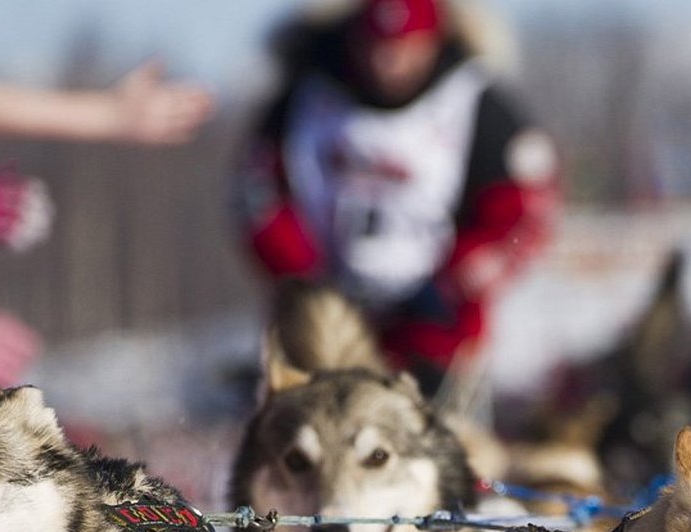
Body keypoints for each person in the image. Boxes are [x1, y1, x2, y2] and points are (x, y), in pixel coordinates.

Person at [236, 0, 558, 395]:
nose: (388, 62)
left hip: (438, 333)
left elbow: (522, 213)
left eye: (404, 48)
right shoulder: (305, 99)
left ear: (434, 41)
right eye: (376, 47)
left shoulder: (478, 102)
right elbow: (258, 197)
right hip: (324, 327)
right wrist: (303, 276)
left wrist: (459, 278)